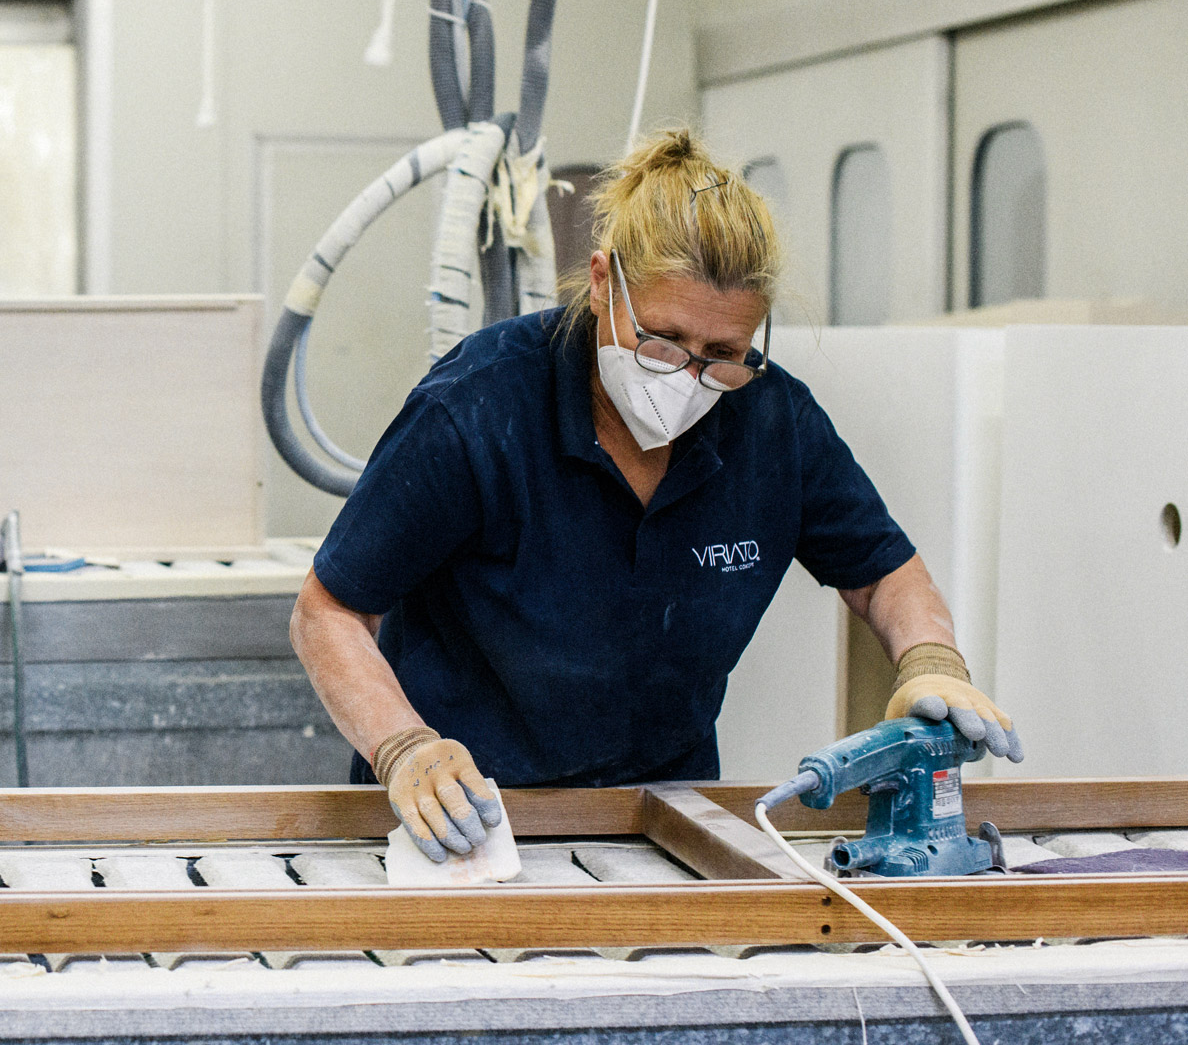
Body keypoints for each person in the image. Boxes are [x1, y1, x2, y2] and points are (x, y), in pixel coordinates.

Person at [290, 128, 1021, 864]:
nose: (685, 377)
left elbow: (883, 572)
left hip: (663, 825)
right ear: (603, 281)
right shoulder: (479, 410)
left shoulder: (772, 423)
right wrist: (404, 747)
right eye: (662, 342)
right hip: (461, 825)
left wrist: (933, 661)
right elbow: (329, 610)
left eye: (722, 356)